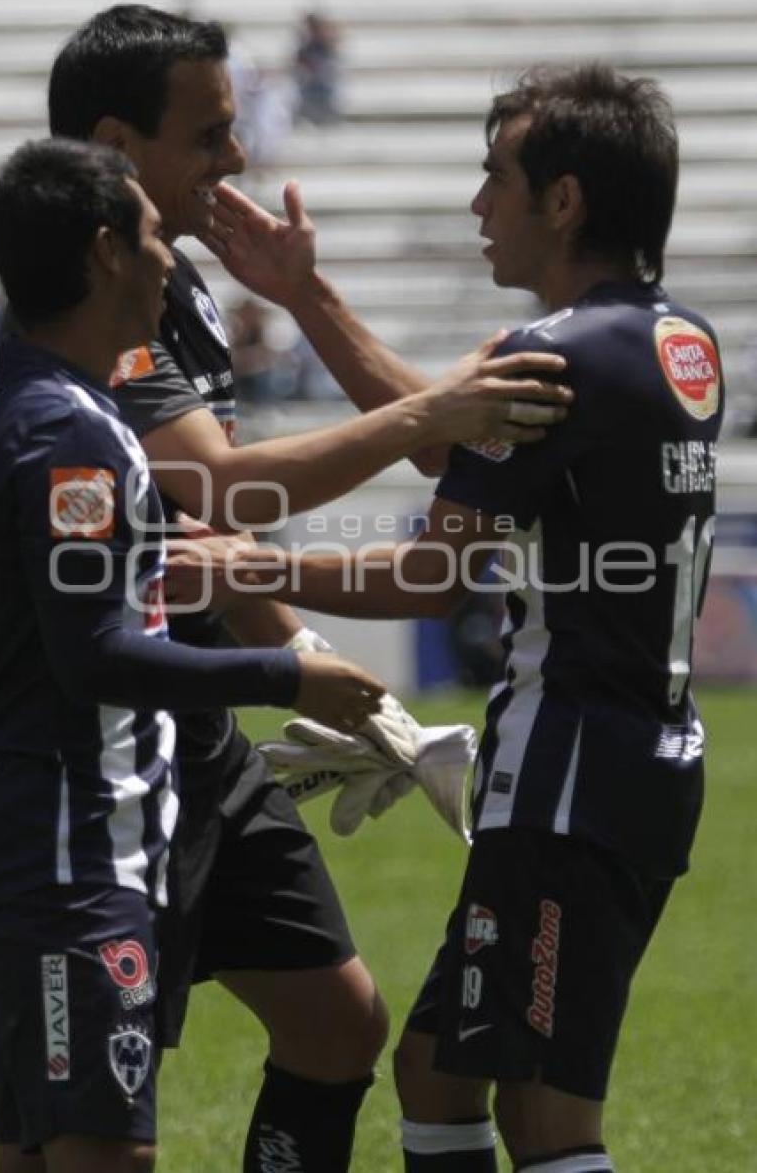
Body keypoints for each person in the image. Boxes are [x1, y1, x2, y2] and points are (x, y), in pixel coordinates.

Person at [45, 4, 573, 1173]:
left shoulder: (176, 289)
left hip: (201, 732)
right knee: (81, 1122)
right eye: (210, 134)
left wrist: (361, 705)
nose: (237, 159)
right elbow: (222, 492)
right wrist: (423, 415)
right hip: (106, 744)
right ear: (116, 142)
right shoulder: (95, 305)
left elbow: (210, 551)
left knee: (340, 1025)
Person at [183, 64, 724, 1173]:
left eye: (497, 178)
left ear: (562, 200)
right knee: (436, 1065)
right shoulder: (668, 337)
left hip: (572, 770)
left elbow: (433, 578)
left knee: (545, 1111)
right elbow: (441, 437)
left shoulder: (557, 355)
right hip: (625, 757)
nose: (479, 205)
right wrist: (305, 293)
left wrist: (247, 566)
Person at [0, 137, 385, 1173]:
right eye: (147, 238)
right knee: (102, 1156)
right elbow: (95, 657)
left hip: (32, 829)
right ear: (104, 253)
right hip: (68, 847)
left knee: (39, 1156)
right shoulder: (69, 429)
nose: (168, 260)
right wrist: (288, 676)